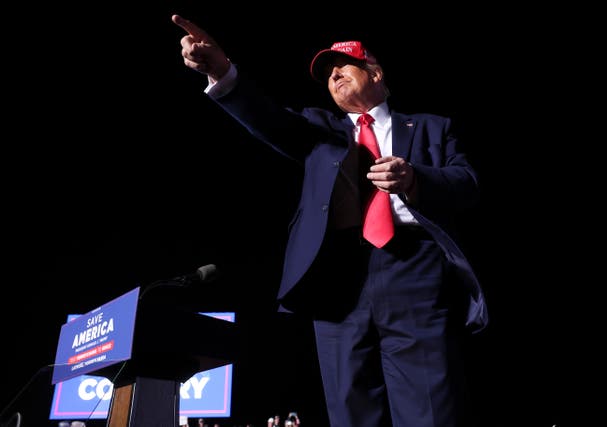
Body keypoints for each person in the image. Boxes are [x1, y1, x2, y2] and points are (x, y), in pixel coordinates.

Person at [172, 14, 489, 427]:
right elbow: (269, 119)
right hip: (337, 278)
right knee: (350, 410)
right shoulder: (320, 130)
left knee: (429, 408)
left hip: (415, 271)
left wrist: (414, 177)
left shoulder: (433, 128)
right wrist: (221, 70)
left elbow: (467, 184)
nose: (334, 74)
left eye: (344, 65)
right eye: (327, 74)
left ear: (374, 73)